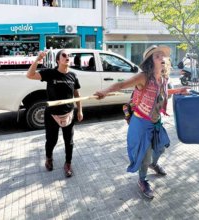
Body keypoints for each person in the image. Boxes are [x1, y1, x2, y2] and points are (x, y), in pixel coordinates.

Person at [94, 45, 188, 199]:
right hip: (141, 122)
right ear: (151, 61)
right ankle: (142, 180)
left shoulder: (164, 78)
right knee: (145, 154)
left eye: (163, 56)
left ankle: (153, 163)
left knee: (160, 147)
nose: (162, 58)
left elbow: (163, 93)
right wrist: (104, 92)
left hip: (156, 121)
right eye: (157, 56)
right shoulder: (143, 77)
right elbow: (121, 85)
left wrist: (179, 90)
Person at [26, 49, 83, 178]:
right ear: (58, 60)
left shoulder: (73, 76)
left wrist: (79, 110)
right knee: (52, 140)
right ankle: (49, 158)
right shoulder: (50, 73)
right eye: (64, 55)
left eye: (69, 55)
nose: (67, 57)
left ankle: (68, 164)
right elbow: (29, 75)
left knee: (69, 141)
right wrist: (37, 60)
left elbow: (77, 94)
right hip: (52, 114)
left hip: (68, 114)